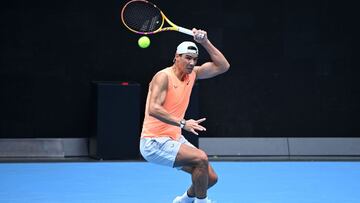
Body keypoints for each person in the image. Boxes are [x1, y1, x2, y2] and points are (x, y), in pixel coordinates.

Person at [139, 28, 230, 203]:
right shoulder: (163, 77)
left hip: (173, 138)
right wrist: (182, 123)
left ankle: (184, 201)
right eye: (187, 58)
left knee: (210, 178)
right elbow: (153, 109)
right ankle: (202, 202)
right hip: (154, 142)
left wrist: (205, 42)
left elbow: (223, 66)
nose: (191, 62)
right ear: (176, 57)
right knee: (201, 158)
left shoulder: (193, 74)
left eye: (194, 59)